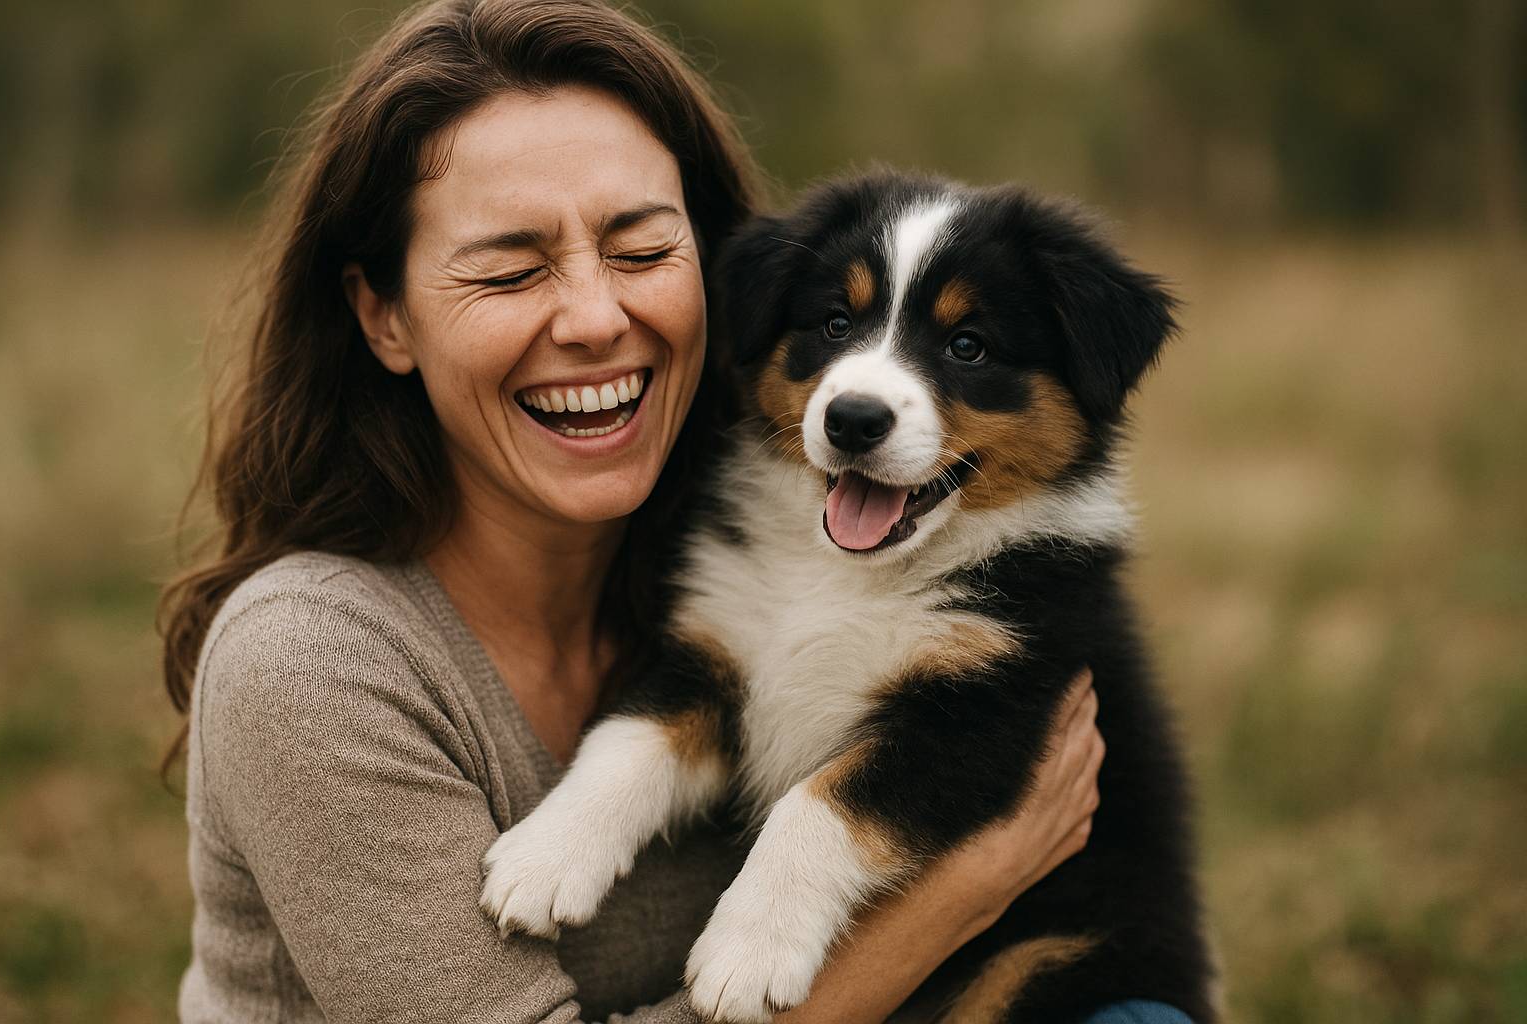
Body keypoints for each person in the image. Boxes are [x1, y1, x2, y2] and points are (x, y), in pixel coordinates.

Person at [160, 2, 1186, 1021]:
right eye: (512, 267)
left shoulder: (671, 535)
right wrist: (968, 887)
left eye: (643, 251)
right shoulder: (311, 664)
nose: (597, 319)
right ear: (384, 313)